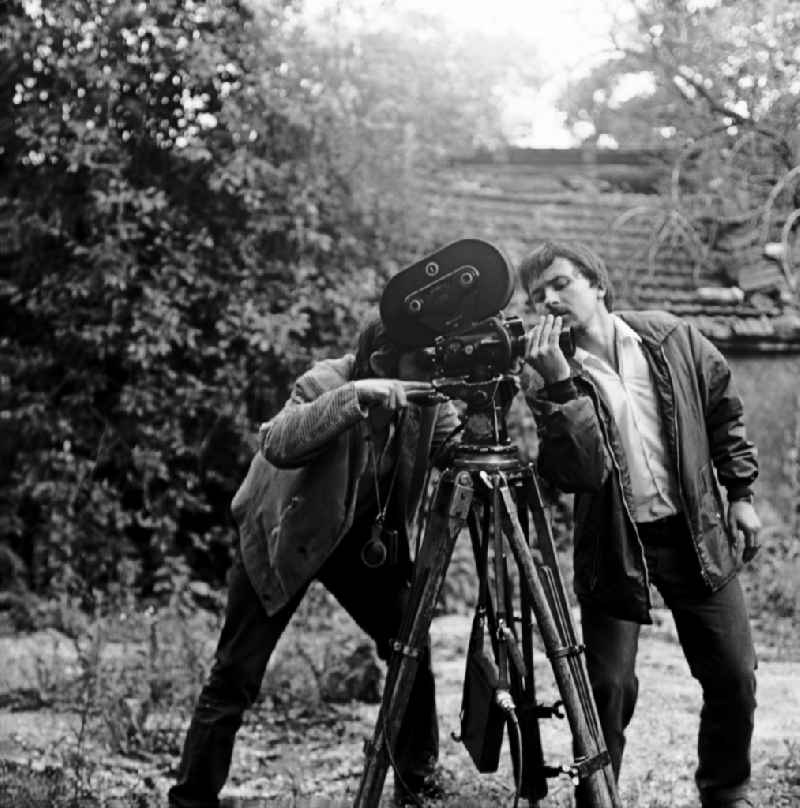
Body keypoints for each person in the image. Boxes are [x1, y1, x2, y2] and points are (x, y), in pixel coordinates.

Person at [168, 317, 460, 808]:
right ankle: (191, 800)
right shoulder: (324, 381)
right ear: (386, 361)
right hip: (285, 535)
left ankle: (417, 780)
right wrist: (356, 398)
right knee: (235, 675)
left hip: (358, 542)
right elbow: (278, 441)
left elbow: (455, 449)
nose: (434, 371)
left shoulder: (428, 399)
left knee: (410, 646)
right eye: (424, 361)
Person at [518, 241, 761, 808]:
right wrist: (558, 384)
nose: (549, 301)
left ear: (597, 284)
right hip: (614, 541)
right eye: (537, 297)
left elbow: (723, 408)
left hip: (692, 528)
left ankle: (726, 791)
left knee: (733, 676)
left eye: (560, 284)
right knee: (606, 687)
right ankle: (599, 799)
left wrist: (741, 493)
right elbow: (577, 473)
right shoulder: (545, 374)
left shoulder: (671, 337)